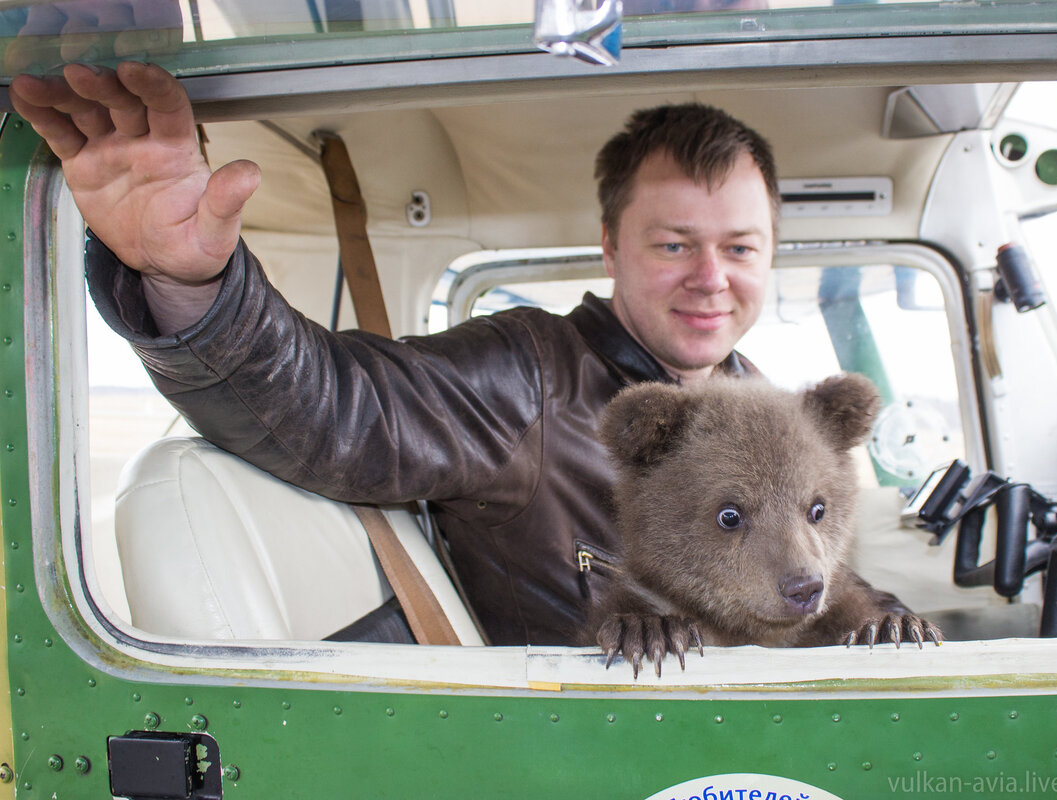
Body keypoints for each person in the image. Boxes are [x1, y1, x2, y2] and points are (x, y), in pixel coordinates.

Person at [10, 63, 909, 647]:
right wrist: (191, 285)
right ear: (609, 244)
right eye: (675, 244)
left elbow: (807, 563)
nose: (712, 278)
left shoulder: (766, 407)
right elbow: (333, 409)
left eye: (740, 248)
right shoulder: (527, 378)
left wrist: (873, 618)